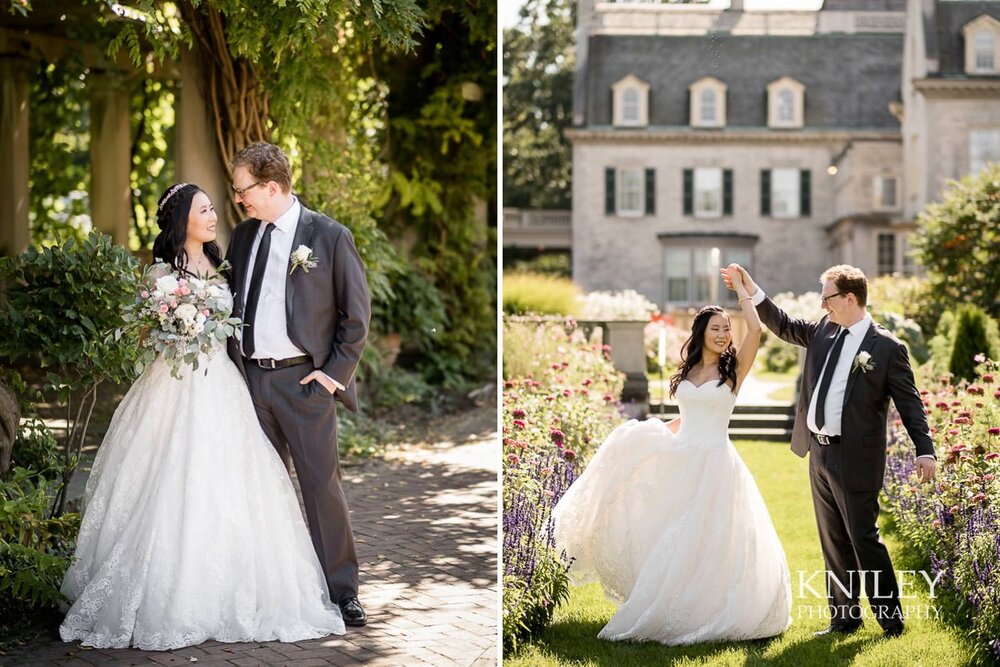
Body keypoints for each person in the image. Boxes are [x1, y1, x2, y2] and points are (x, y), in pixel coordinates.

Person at [60, 183, 345, 650]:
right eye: (205, 209)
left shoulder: (223, 264)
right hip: (173, 388)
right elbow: (147, 333)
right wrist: (176, 332)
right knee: (170, 481)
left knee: (231, 484)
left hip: (224, 386)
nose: (214, 215)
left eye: (215, 207)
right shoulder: (160, 275)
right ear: (182, 220)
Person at [552, 267, 792, 645]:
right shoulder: (687, 371)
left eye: (727, 328)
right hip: (681, 456)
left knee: (709, 536)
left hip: (715, 462)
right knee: (670, 534)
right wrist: (650, 434)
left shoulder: (733, 370)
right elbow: (688, 415)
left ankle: (708, 608)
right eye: (716, 328)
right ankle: (671, 598)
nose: (723, 334)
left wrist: (744, 292)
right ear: (700, 333)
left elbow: (757, 331)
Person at [722, 263, 936, 638]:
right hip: (818, 454)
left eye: (827, 297)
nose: (823, 305)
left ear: (849, 298)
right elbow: (786, 325)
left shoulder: (886, 348)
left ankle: (891, 621)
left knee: (863, 538)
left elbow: (910, 402)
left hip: (856, 455)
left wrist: (925, 449)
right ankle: (844, 618)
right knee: (833, 540)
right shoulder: (825, 329)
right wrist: (753, 290)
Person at [224, 142, 371, 627]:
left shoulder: (328, 236)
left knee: (320, 487)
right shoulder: (243, 236)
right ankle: (270, 589)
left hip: (304, 383)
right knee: (259, 489)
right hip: (250, 381)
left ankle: (342, 591)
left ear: (271, 186)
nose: (238, 197)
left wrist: (331, 376)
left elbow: (356, 316)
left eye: (243, 188)